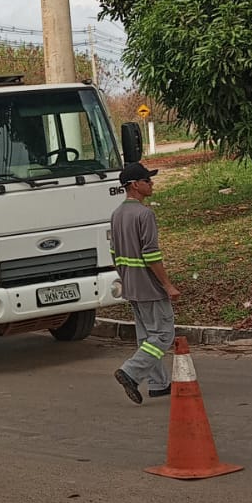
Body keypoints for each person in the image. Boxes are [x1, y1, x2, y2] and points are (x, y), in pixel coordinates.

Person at [110, 163, 181, 404]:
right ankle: (130, 372)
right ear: (134, 185)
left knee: (146, 336)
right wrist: (167, 285)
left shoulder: (117, 214)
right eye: (147, 181)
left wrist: (126, 277)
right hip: (149, 286)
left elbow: (114, 253)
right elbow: (151, 255)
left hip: (131, 284)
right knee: (162, 335)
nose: (152, 184)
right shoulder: (144, 215)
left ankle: (158, 383)